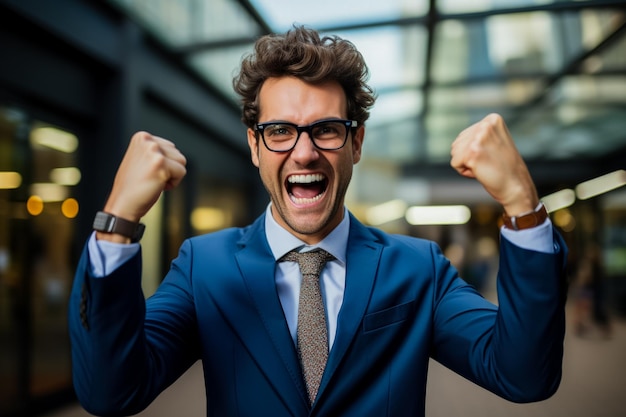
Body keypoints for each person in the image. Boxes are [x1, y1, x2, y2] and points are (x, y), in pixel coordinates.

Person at [69, 26, 568, 417]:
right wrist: (117, 223)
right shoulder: (204, 267)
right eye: (280, 130)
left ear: (356, 143)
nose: (304, 153)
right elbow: (112, 392)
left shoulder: (419, 268)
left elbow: (523, 375)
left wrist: (524, 205)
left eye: (326, 129)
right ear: (254, 146)